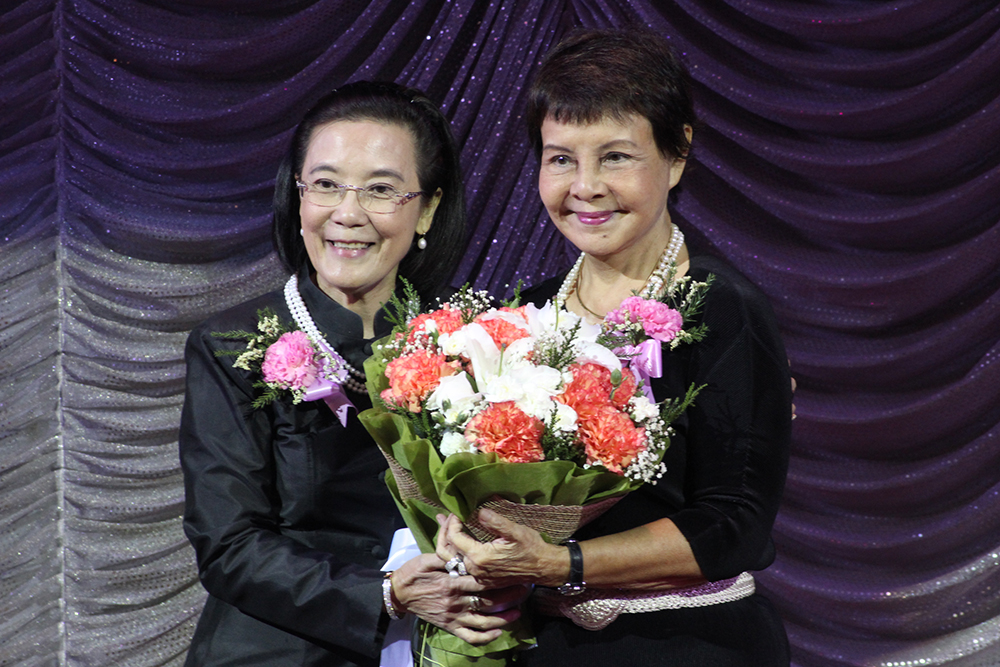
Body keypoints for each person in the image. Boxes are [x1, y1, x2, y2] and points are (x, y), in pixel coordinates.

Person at [437, 30, 793, 664]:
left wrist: (561, 562)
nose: (586, 186)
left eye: (616, 156)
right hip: (548, 646)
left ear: (678, 152)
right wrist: (462, 533)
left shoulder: (720, 307)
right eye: (561, 158)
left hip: (690, 644)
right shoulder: (526, 316)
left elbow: (735, 522)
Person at [179, 81, 521, 667]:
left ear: (428, 208)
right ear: (299, 195)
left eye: (381, 190)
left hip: (448, 640)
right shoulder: (232, 345)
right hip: (281, 648)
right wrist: (384, 596)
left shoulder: (471, 339)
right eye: (326, 184)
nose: (347, 213)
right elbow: (228, 545)